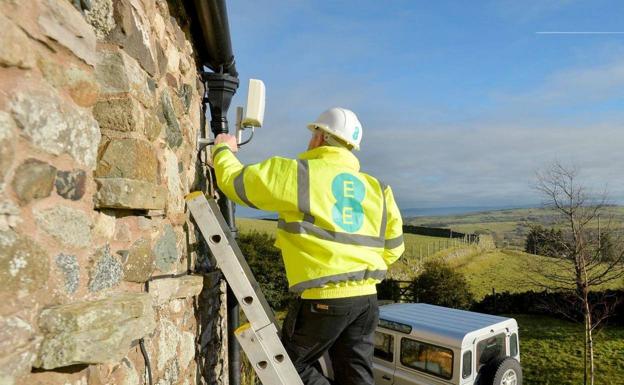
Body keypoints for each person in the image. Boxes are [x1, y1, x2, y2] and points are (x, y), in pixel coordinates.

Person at [212, 107, 404, 385]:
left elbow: (236, 184)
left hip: (323, 298)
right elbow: (394, 248)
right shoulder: (379, 189)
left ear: (322, 137)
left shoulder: (299, 174)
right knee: (357, 376)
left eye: (313, 133)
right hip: (367, 300)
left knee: (288, 367)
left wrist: (222, 151)